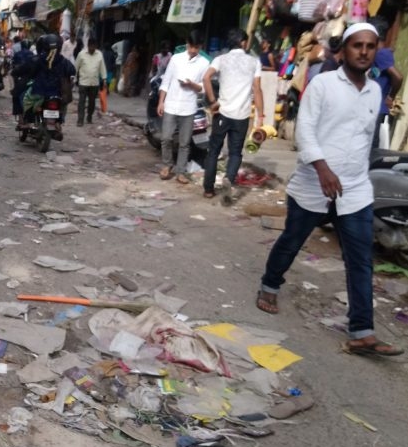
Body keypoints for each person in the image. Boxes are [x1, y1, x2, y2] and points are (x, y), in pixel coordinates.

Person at [256, 23, 402, 357]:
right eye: (357, 45)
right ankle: (269, 285)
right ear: (344, 49)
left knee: (360, 260)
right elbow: (305, 131)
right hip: (313, 185)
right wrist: (322, 168)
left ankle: (362, 332)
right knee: (291, 241)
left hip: (354, 190)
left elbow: (365, 138)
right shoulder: (322, 84)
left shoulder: (374, 91)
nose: (363, 52)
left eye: (369, 46)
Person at [202, 28, 263, 198]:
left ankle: (208, 189)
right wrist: (261, 116)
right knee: (235, 152)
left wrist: (213, 102)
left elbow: (206, 78)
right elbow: (257, 89)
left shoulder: (221, 59)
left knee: (214, 151)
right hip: (242, 115)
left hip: (222, 112)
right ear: (243, 43)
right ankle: (229, 177)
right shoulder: (254, 62)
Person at [157, 30, 210, 184]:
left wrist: (192, 85)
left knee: (184, 142)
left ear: (200, 46)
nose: (192, 50)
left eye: (196, 47)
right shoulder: (176, 59)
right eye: (190, 46)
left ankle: (180, 171)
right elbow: (166, 81)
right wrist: (161, 101)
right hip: (171, 104)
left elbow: (204, 88)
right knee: (166, 138)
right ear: (187, 44)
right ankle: (167, 165)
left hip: (189, 107)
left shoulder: (204, 63)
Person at [371, 17, 402, 150]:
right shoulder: (380, 53)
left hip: (378, 108)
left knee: (372, 147)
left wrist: (390, 97)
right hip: (375, 107)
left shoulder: (381, 54)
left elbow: (398, 77)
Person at [75, 37, 107, 126]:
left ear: (96, 46)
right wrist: (73, 79)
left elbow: (102, 67)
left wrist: (104, 79)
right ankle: (80, 120)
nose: (92, 49)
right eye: (91, 47)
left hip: (94, 83)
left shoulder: (99, 54)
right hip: (83, 82)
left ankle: (89, 116)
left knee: (92, 102)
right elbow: (76, 68)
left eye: (94, 46)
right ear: (88, 46)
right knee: (81, 101)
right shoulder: (81, 54)